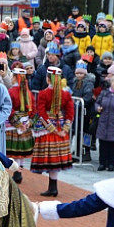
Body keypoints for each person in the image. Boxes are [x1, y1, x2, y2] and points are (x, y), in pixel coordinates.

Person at [31, 67, 75, 196]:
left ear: (47, 79)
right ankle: (53, 187)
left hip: (47, 130)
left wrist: (52, 129)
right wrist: (64, 129)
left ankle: (52, 188)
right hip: (61, 127)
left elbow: (41, 113)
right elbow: (70, 112)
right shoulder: (66, 94)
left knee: (49, 159)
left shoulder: (43, 94)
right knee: (55, 160)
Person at [4, 65, 36, 176]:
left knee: (14, 151)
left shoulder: (11, 91)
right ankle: (19, 171)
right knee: (21, 151)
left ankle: (15, 172)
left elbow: (9, 108)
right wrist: (28, 123)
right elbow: (33, 110)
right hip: (25, 123)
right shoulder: (29, 92)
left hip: (14, 125)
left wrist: (17, 123)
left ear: (15, 77)